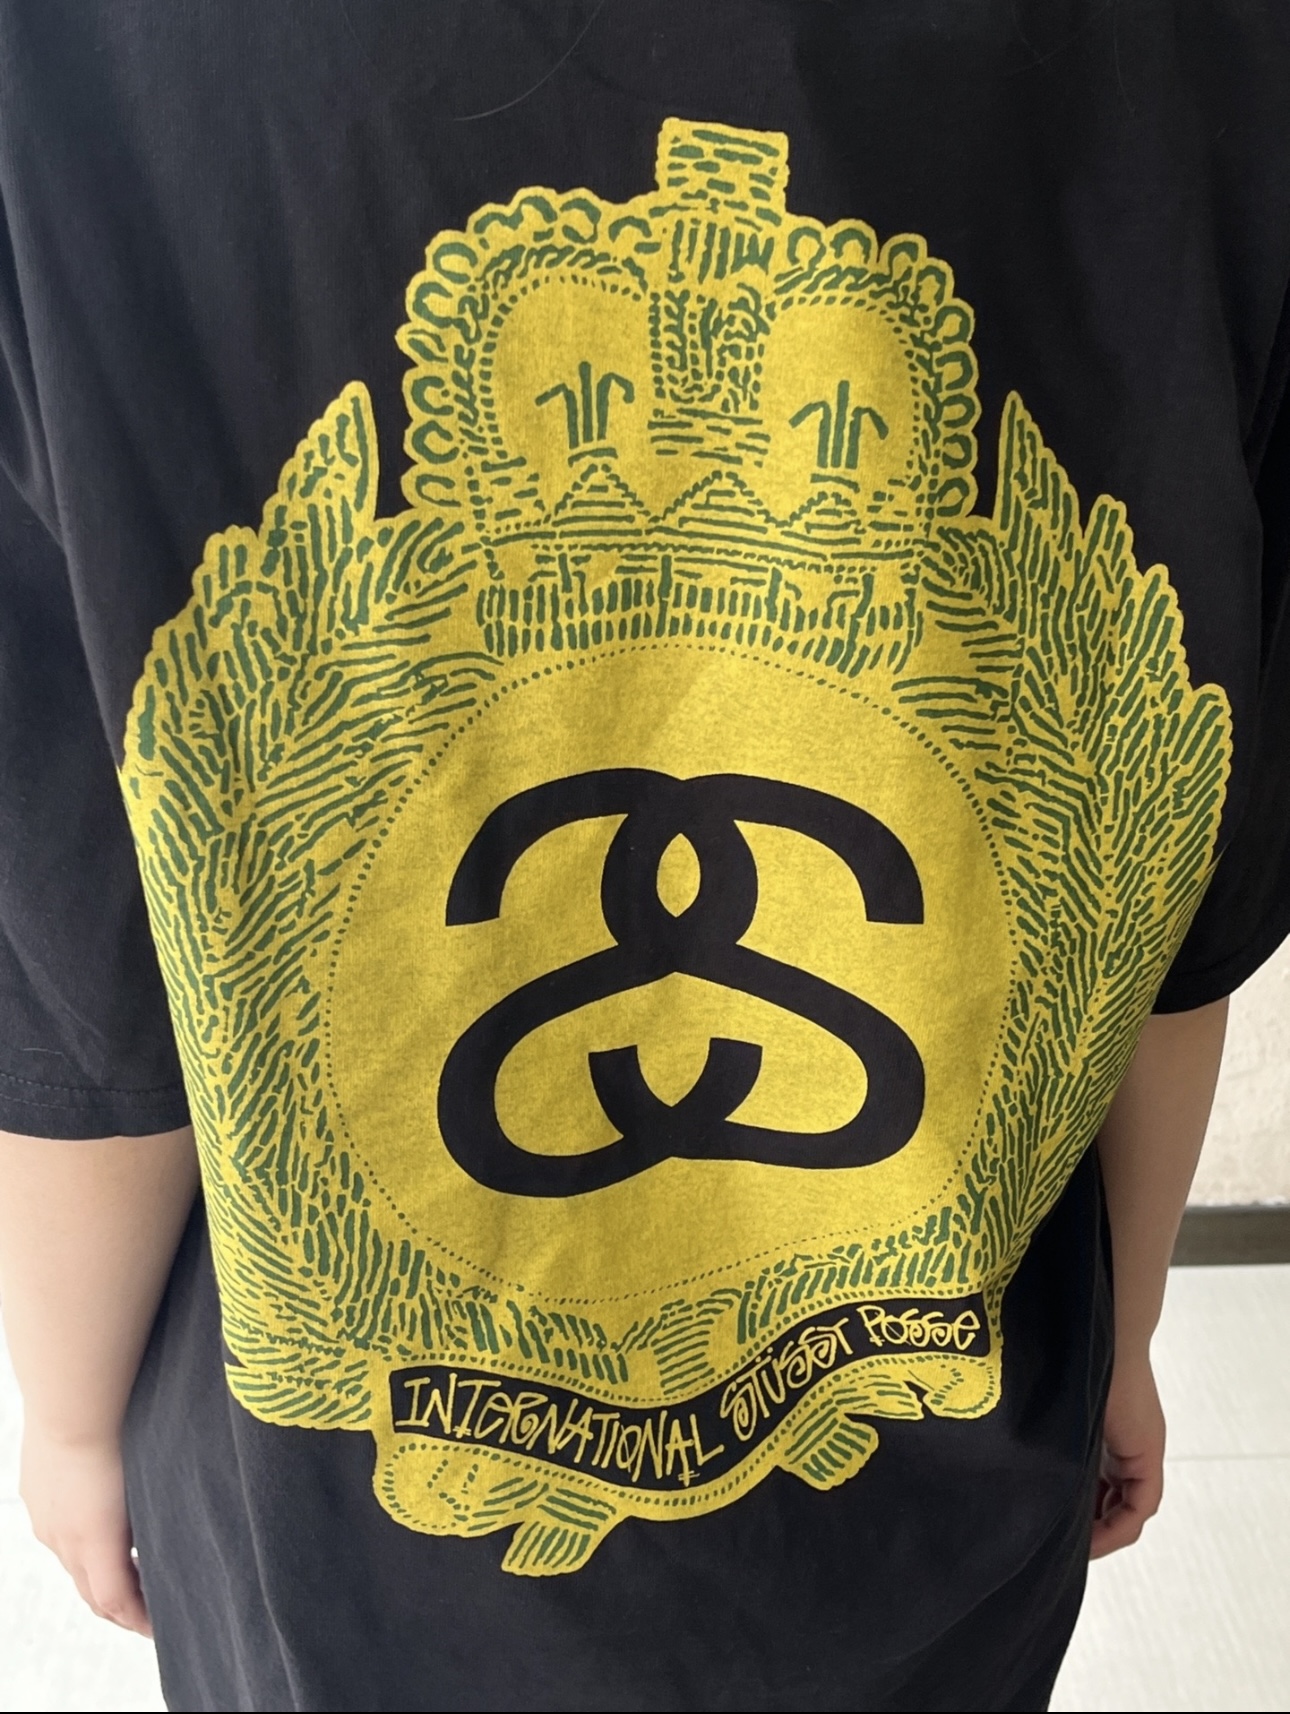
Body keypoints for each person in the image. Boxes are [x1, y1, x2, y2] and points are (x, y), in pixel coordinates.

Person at [0, 5, 1287, 1710]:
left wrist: (71, 1408)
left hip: (343, 1513)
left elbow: (81, 956)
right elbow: (1174, 846)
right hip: (935, 1431)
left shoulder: (79, 52)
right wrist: (1122, 1333)